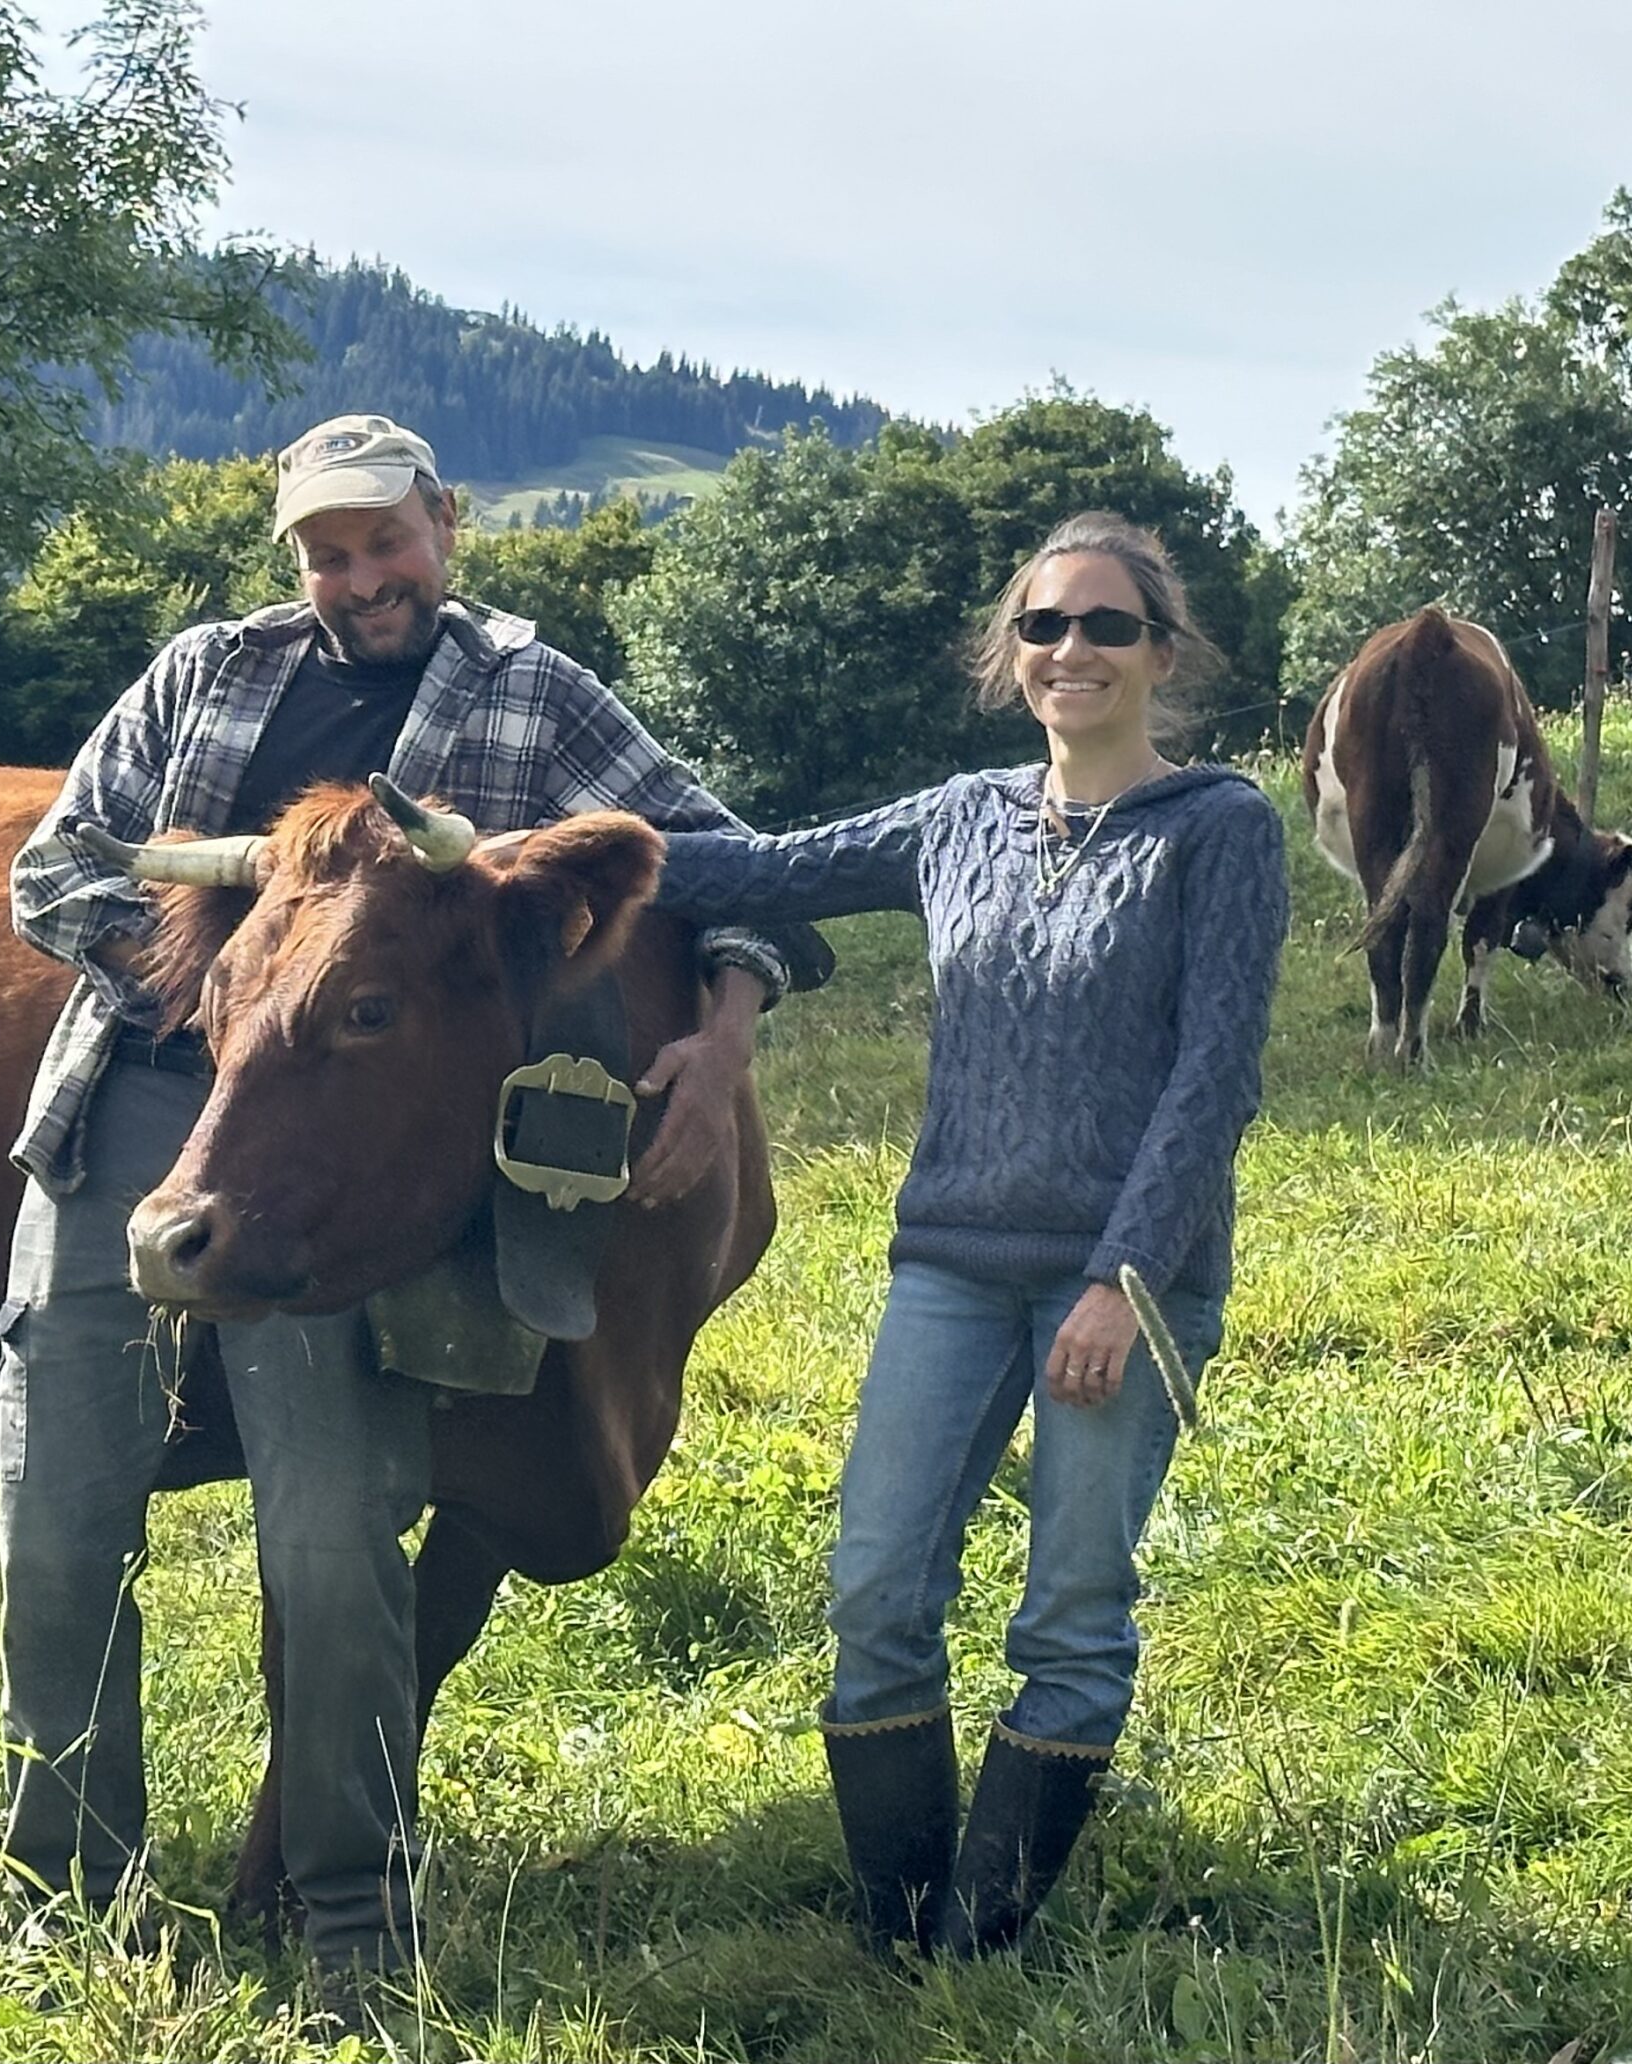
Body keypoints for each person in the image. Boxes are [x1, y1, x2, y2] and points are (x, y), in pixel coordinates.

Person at [0, 414, 805, 1986]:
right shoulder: (204, 672)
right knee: (60, 1509)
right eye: (327, 553)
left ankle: (349, 1908)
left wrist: (726, 1034)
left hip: (349, 1143)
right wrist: (245, 952)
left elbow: (723, 862)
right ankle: (67, 1897)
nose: (360, 577)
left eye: (384, 541)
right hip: (142, 1092)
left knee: (335, 1531)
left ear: (444, 523)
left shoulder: (531, 688)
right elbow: (55, 872)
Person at [640, 511, 1289, 1956]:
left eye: (1107, 625)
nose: (1073, 649)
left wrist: (1123, 1279)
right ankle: (898, 1935)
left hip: (1124, 1281)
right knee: (876, 1588)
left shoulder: (1221, 829)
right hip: (950, 1266)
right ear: (1013, 653)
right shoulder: (959, 820)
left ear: (1160, 652)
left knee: (1071, 1609)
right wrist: (547, 851)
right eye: (1046, 625)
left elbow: (1215, 1078)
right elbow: (761, 872)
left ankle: (977, 1950)